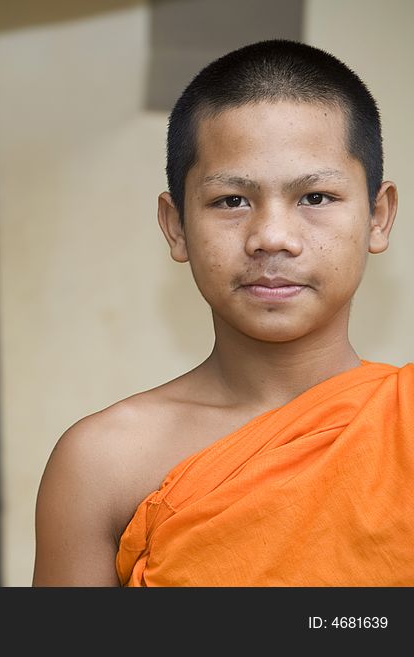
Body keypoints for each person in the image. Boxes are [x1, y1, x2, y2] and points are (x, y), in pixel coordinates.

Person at [33, 39, 413, 586]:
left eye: (316, 197)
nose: (272, 238)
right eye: (232, 201)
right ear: (176, 225)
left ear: (378, 216)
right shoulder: (103, 463)